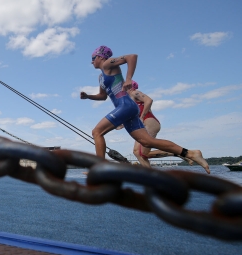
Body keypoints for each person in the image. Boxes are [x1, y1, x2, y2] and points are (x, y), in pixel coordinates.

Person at [80, 45, 210, 174]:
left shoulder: (107, 64)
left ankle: (99, 168)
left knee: (97, 132)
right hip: (128, 109)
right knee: (147, 142)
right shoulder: (101, 77)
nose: (92, 61)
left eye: (93, 58)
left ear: (100, 56)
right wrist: (88, 96)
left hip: (125, 106)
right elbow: (102, 96)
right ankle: (191, 153)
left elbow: (131, 57)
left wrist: (129, 78)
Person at [117, 80, 194, 167]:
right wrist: (121, 125)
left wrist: (142, 117)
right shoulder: (129, 100)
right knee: (138, 153)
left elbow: (149, 100)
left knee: (143, 153)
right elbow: (134, 116)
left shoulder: (134, 93)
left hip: (149, 122)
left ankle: (181, 153)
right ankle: (148, 176)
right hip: (144, 125)